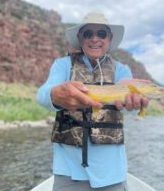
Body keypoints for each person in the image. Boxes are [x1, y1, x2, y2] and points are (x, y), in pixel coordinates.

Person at [37, 12, 149, 191]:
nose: (94, 39)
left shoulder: (122, 70)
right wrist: (55, 94)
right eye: (88, 33)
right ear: (80, 38)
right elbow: (42, 95)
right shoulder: (63, 65)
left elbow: (133, 109)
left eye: (101, 34)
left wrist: (137, 102)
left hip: (112, 171)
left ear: (109, 38)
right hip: (68, 171)